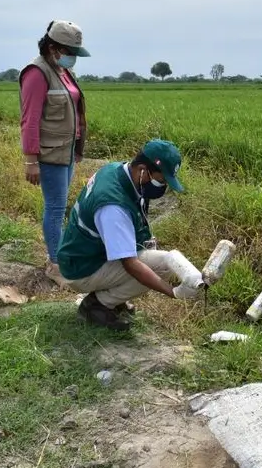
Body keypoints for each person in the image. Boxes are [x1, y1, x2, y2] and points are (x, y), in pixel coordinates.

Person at [58, 139, 198, 331]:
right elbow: (130, 264)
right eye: (161, 179)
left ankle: (110, 298)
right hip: (81, 268)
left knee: (154, 256)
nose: (162, 186)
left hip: (82, 253)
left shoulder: (115, 170)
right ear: (142, 169)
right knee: (160, 268)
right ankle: (97, 305)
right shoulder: (113, 207)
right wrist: (173, 292)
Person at [19, 20, 90, 288]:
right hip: (50, 154)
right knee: (56, 208)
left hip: (67, 152)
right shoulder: (37, 73)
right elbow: (30, 120)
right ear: (53, 47)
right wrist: (30, 160)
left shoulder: (62, 71)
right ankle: (55, 264)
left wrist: (77, 149)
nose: (73, 57)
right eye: (69, 51)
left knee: (61, 207)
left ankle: (60, 256)